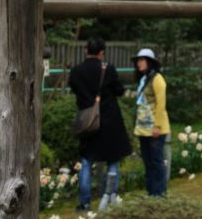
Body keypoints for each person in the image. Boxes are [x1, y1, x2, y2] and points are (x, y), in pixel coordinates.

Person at [69, 37, 132, 212]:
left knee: (87, 162)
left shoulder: (76, 71)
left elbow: (74, 88)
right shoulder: (108, 69)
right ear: (101, 52)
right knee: (113, 161)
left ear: (85, 50)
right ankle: (109, 200)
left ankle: (85, 203)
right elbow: (119, 90)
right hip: (110, 123)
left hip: (88, 123)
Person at [134, 48, 170, 196]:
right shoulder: (144, 79)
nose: (139, 63)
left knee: (156, 162)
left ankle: (159, 194)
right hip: (143, 128)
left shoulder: (157, 79)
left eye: (142, 60)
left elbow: (161, 103)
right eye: (138, 60)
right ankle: (151, 193)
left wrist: (158, 126)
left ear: (150, 62)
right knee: (148, 163)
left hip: (155, 128)